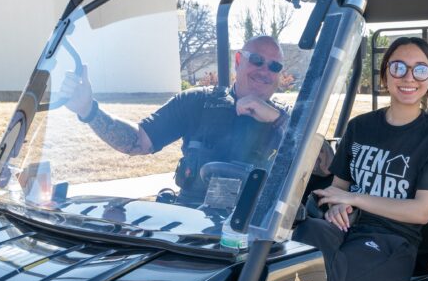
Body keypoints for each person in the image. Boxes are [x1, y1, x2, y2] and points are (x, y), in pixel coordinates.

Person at [295, 36, 428, 281]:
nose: (408, 77)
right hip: (346, 229)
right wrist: (337, 206)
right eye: (398, 67)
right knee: (301, 244)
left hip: (391, 242)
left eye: (419, 70)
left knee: (325, 272)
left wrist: (354, 198)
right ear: (385, 75)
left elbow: (421, 212)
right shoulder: (360, 127)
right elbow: (337, 189)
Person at [61, 35, 288, 206]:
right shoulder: (197, 102)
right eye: (257, 60)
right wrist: (89, 110)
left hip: (257, 237)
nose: (265, 71)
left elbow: (320, 165)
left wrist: (277, 120)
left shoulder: (291, 122)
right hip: (193, 225)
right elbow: (137, 142)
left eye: (274, 66)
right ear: (238, 60)